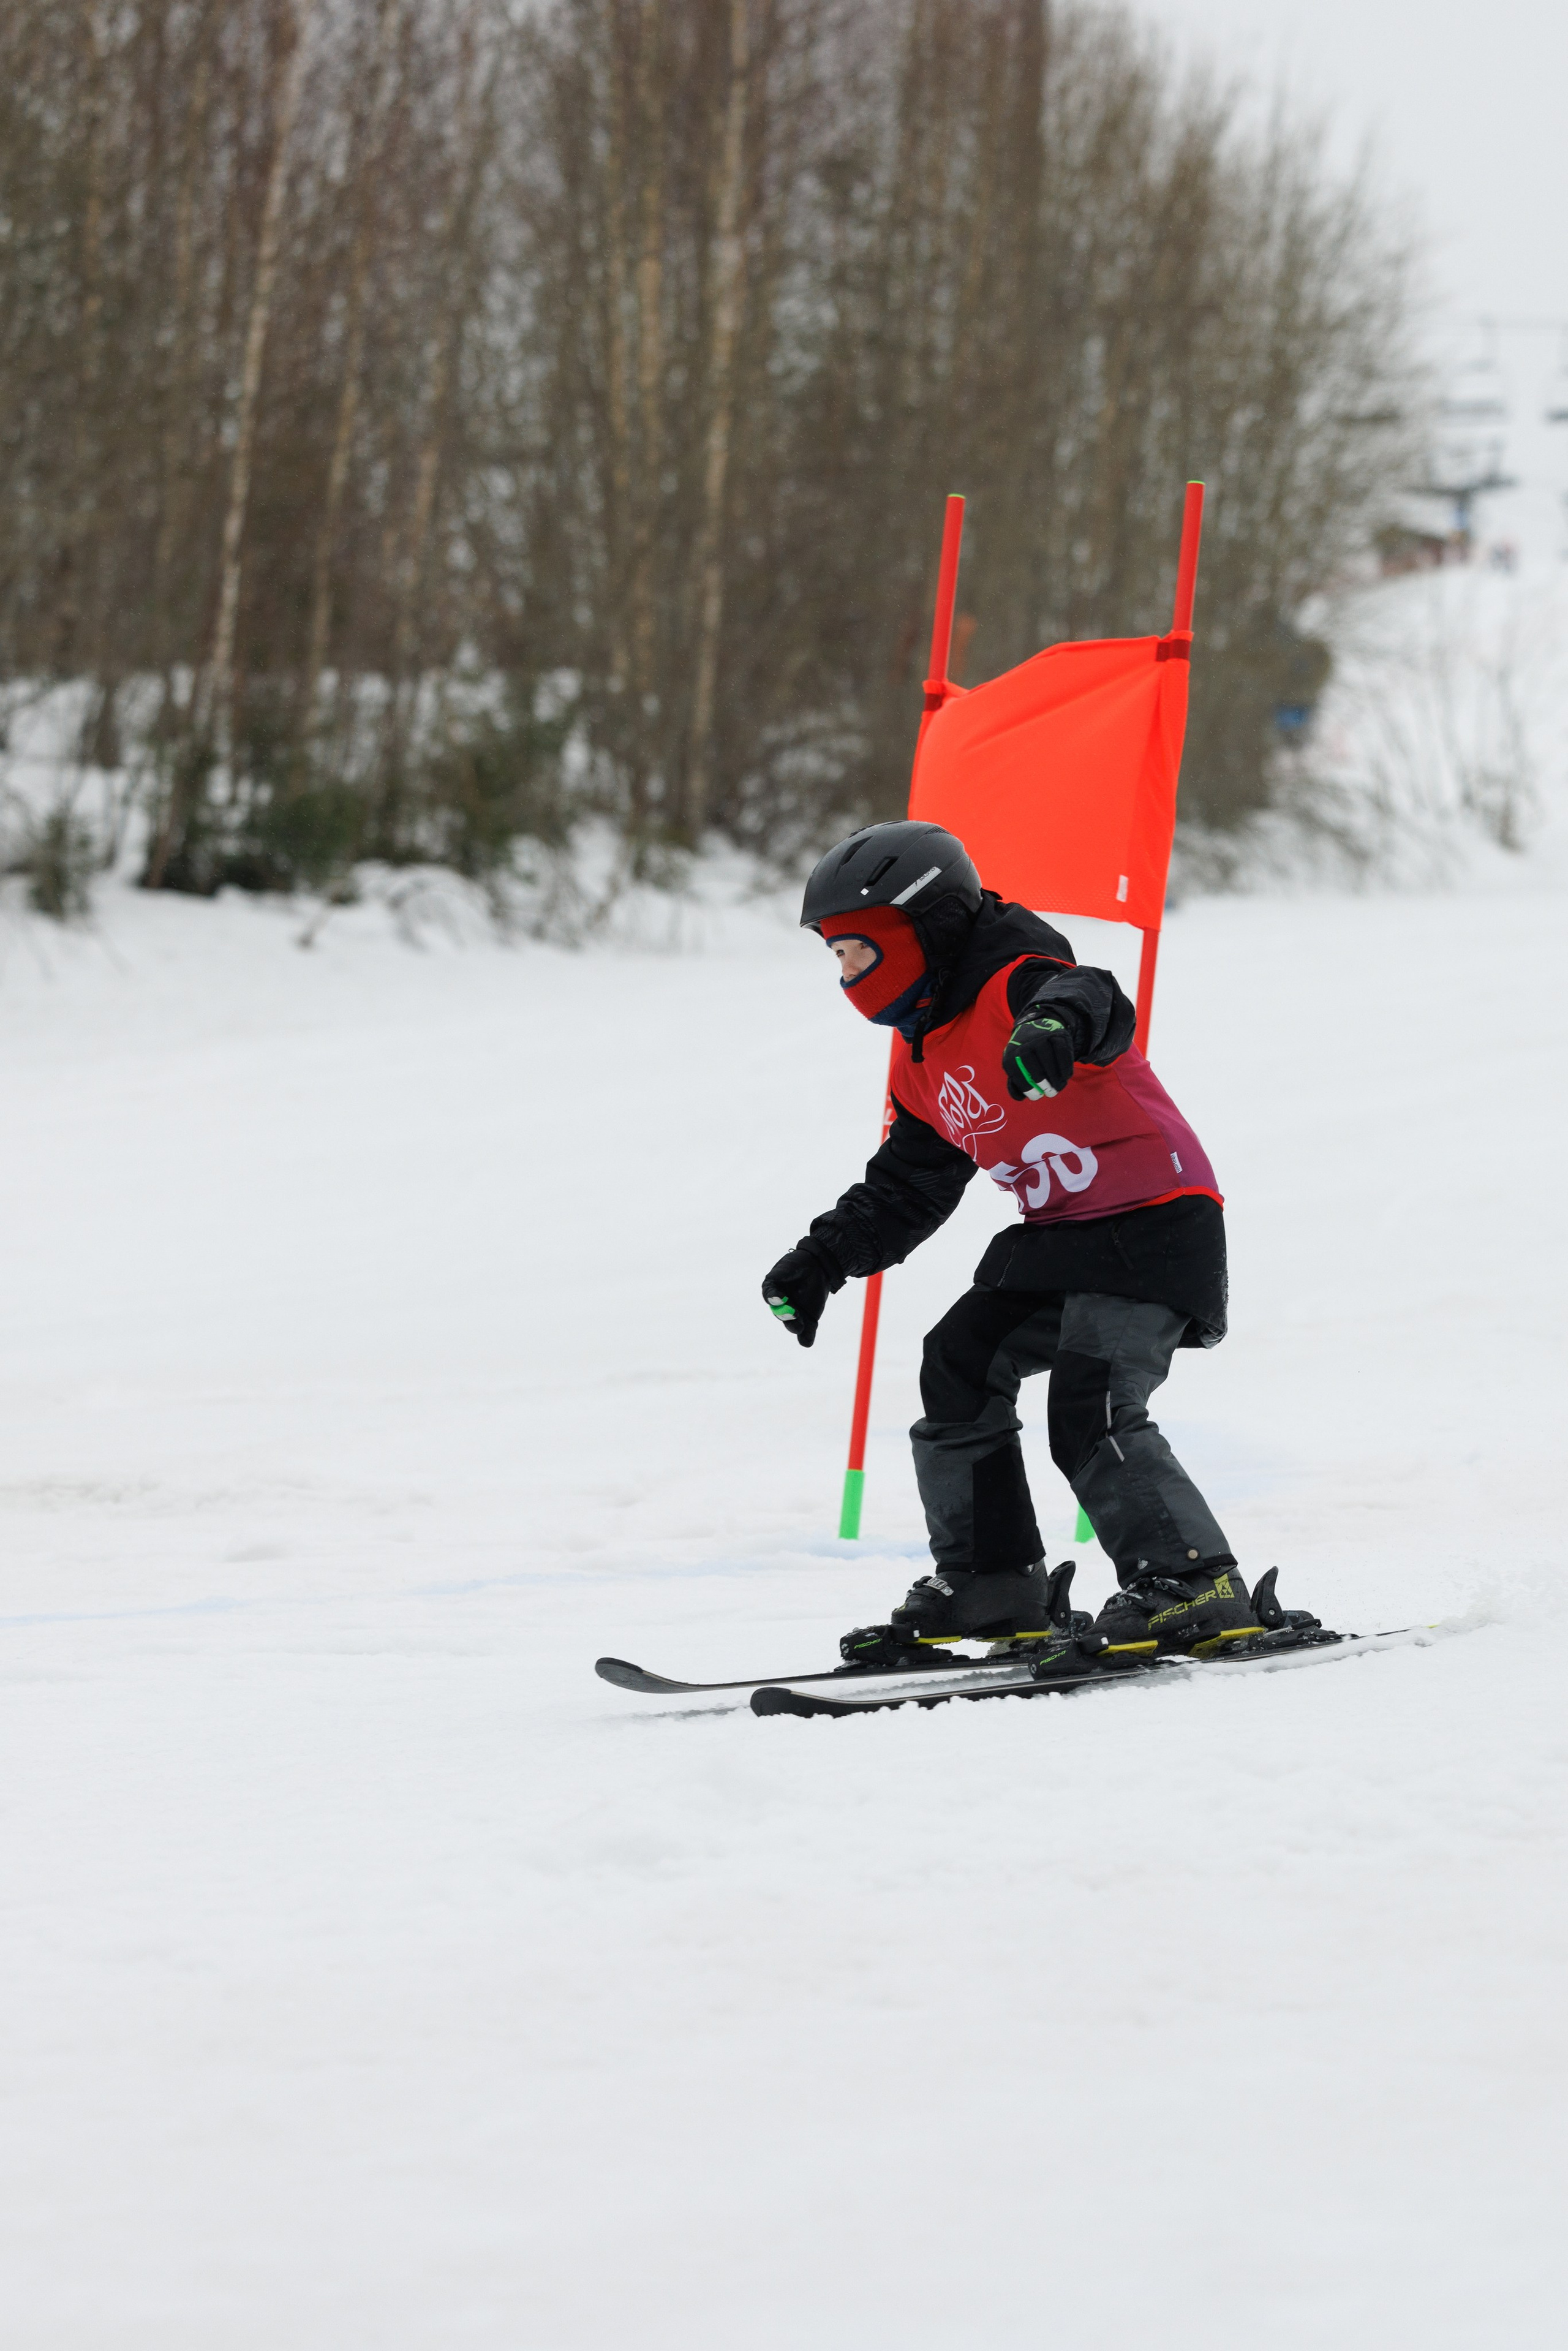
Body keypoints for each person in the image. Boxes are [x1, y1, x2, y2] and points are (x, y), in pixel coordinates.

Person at [763, 818, 1262, 1664]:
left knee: (1090, 1402)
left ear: (925, 931)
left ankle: (1195, 1583)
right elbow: (909, 1185)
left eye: (860, 951)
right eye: (837, 956)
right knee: (959, 1357)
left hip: (1154, 1219)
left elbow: (1092, 996)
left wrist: (1054, 1028)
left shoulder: (1016, 979)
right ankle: (992, 1583)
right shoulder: (919, 1057)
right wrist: (823, 1259)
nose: (846, 974)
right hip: (1064, 1234)